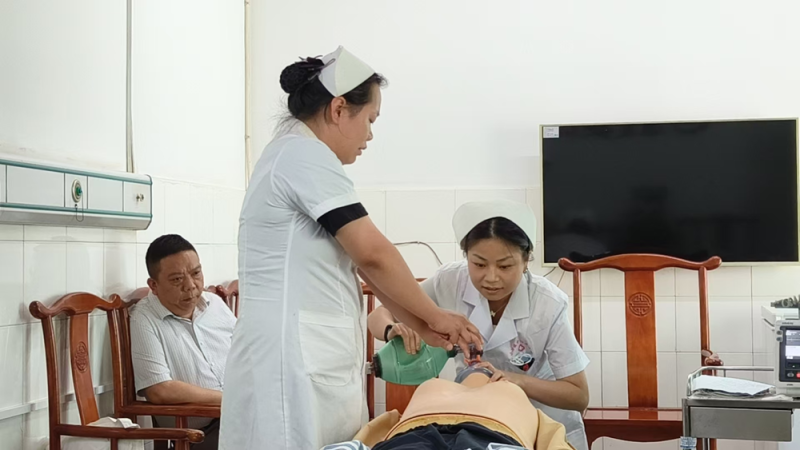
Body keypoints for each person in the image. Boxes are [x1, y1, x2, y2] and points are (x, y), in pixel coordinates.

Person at [220, 46, 483, 450]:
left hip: (304, 355)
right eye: (370, 119)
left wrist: (423, 325)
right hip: (290, 362)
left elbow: (362, 266)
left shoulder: (295, 154)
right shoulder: (303, 154)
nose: (370, 135)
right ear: (339, 108)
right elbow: (372, 254)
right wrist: (435, 315)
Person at [368, 200, 591, 450]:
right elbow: (379, 315)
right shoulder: (450, 280)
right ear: (466, 257)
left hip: (536, 422)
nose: (491, 277)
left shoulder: (548, 303)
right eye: (479, 264)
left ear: (526, 260)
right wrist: (391, 329)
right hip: (469, 418)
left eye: (505, 266)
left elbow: (579, 396)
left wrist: (516, 381)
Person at [130, 234, 237, 450]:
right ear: (154, 285)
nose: (190, 286)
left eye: (196, 273)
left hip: (241, 417)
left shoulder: (215, 304)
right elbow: (159, 389)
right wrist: (230, 400)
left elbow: (249, 354)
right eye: (177, 279)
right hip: (201, 434)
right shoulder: (145, 318)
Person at [322, 367, 573, 450]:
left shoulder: (512, 387)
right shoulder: (511, 393)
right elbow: (552, 435)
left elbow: (380, 426)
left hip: (414, 435)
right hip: (488, 438)